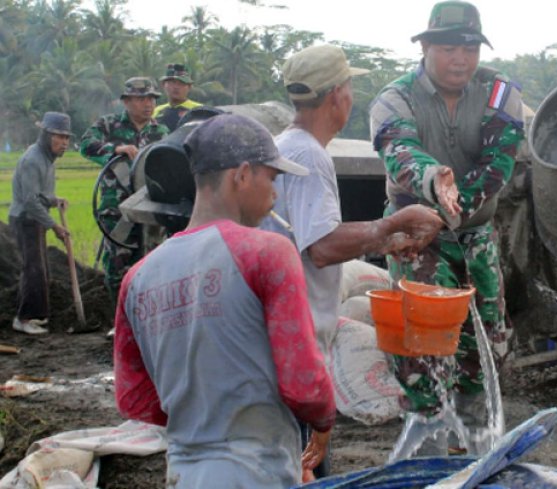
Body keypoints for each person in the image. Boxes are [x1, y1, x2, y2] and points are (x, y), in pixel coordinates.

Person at [114, 113, 334, 488]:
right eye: (272, 177)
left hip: (183, 472)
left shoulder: (138, 278)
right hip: (257, 471)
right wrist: (323, 423)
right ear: (243, 174)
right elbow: (303, 384)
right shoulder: (266, 252)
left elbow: (134, 399)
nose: (276, 193)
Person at [260, 44, 443, 476]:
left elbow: (312, 238)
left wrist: (387, 239)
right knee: (301, 467)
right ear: (338, 95)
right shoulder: (309, 154)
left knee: (295, 463)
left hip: (283, 336)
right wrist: (389, 225)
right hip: (295, 341)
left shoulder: (287, 145)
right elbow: (321, 247)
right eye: (349, 87)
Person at [369, 0, 525, 454]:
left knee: (484, 343)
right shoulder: (394, 98)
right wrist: (432, 179)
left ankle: (478, 450)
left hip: (475, 237)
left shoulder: (499, 91)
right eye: (448, 47)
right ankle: (427, 449)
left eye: (470, 47)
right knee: (420, 350)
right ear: (425, 47)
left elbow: (499, 162)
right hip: (417, 241)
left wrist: (453, 209)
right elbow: (400, 153)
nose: (461, 58)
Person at [80, 77, 169, 304]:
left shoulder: (161, 132)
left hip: (150, 211)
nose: (148, 104)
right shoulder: (109, 125)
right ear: (127, 101)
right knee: (118, 268)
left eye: (151, 99)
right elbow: (85, 145)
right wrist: (115, 149)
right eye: (141, 99)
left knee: (151, 264)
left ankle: (146, 318)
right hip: (117, 211)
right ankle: (119, 321)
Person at [8, 112, 72, 335]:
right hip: (26, 220)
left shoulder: (47, 158)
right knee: (33, 269)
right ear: (45, 135)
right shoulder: (33, 159)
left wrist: (55, 200)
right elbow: (30, 201)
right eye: (58, 136)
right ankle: (24, 319)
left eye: (66, 138)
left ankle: (35, 314)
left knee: (39, 268)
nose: (64, 142)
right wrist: (54, 226)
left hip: (35, 219)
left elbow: (40, 195)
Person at [153, 63, 203, 131]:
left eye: (181, 83)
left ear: (189, 87)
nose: (176, 87)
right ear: (163, 85)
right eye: (172, 82)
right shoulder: (156, 111)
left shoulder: (199, 110)